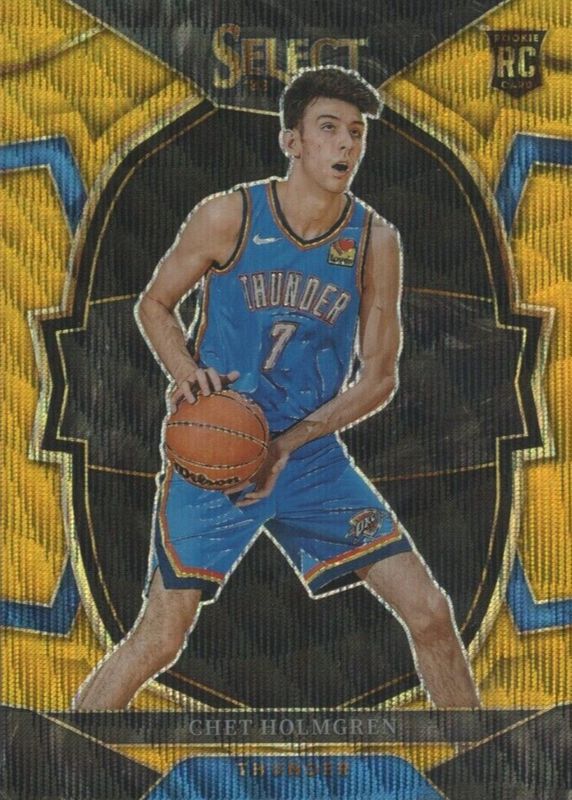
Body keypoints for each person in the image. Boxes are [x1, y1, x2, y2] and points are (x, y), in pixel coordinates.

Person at [73, 67, 480, 710]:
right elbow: (154, 304)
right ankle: (66, 751)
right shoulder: (229, 215)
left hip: (308, 457)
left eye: (356, 133)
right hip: (219, 453)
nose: (345, 144)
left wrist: (286, 446)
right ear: (292, 141)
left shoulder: (375, 240)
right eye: (329, 128)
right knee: (161, 636)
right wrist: (185, 370)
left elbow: (379, 377)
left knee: (430, 611)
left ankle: (482, 758)